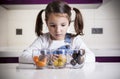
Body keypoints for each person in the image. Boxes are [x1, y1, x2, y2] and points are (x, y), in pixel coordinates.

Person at [19, 0, 95, 64]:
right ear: (46, 23)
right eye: (52, 25)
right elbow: (22, 57)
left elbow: (91, 57)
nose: (58, 30)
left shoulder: (74, 40)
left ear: (68, 23)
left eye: (63, 25)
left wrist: (72, 59)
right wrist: (43, 58)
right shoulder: (43, 40)